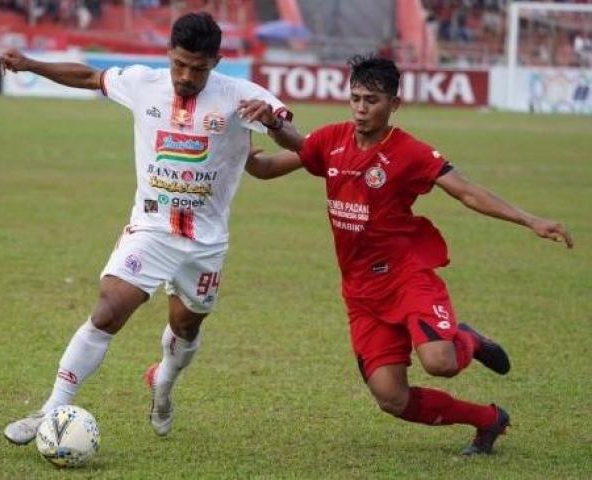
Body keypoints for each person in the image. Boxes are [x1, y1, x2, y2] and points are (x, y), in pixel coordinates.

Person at [245, 55, 573, 455]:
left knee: (440, 362)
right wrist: (243, 141)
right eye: (355, 99)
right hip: (362, 292)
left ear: (394, 105)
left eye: (372, 100)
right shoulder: (332, 141)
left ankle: (465, 339)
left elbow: (466, 192)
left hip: (406, 276)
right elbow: (269, 164)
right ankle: (488, 419)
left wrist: (529, 219)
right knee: (391, 399)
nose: (362, 108)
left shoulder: (410, 152)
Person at [0, 12, 301, 445]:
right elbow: (89, 77)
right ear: (169, 55)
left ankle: (164, 381)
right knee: (108, 311)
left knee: (185, 329)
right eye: (179, 64)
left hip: (205, 244)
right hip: (151, 229)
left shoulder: (244, 96)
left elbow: (295, 140)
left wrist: (274, 123)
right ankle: (50, 409)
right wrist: (30, 64)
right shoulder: (144, 83)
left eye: (198, 68)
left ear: (216, 61)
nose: (186, 76)